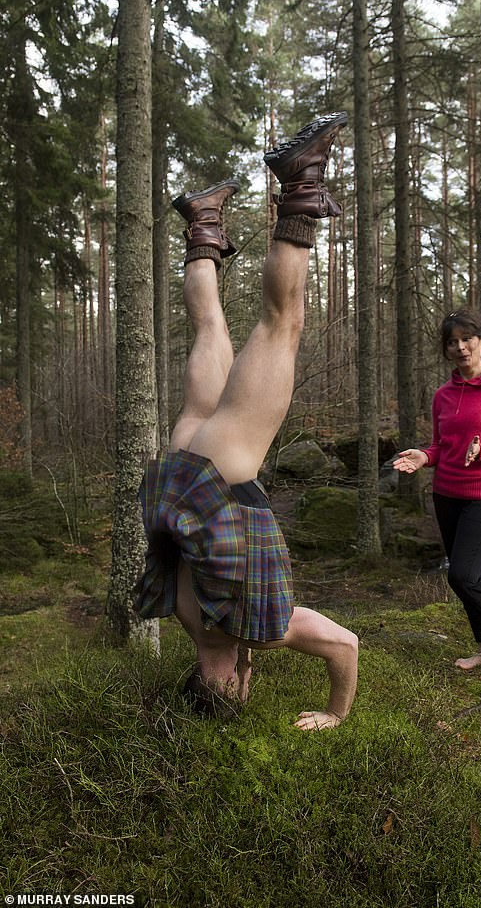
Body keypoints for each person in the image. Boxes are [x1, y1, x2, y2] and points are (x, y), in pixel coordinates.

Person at [134, 113, 358, 730]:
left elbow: (345, 644)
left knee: (279, 326)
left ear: (229, 681)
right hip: (177, 471)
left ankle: (300, 184)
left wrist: (337, 713)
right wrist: (240, 671)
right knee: (211, 330)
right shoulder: (188, 622)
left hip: (223, 473)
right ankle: (203, 222)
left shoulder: (261, 633)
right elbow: (221, 636)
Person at [393, 308, 481, 677]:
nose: (460, 347)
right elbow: (442, 447)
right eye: (452, 342)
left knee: (462, 575)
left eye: (467, 339)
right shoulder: (443, 395)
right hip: (447, 493)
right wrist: (424, 455)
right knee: (470, 573)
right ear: (446, 350)